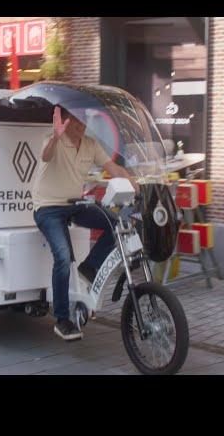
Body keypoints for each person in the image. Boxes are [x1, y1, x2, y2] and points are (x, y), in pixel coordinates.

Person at [32, 106, 137, 341]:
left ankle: (89, 267)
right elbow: (46, 156)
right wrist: (56, 137)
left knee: (114, 224)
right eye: (77, 122)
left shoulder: (90, 144)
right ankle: (61, 319)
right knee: (62, 256)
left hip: (73, 203)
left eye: (84, 121)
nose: (82, 125)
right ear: (66, 122)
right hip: (47, 208)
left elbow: (112, 168)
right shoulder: (52, 139)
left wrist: (133, 182)